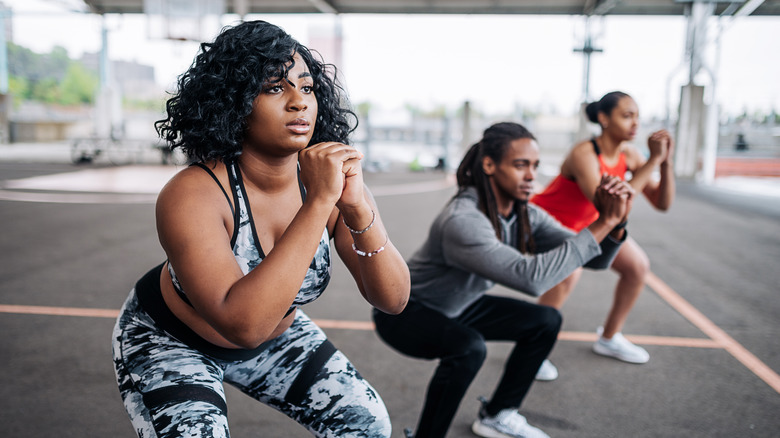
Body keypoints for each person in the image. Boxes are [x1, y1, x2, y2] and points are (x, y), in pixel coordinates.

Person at [111, 20, 410, 438]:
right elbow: (244, 324)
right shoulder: (194, 193)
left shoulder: (330, 182)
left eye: (306, 88)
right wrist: (320, 202)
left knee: (366, 422)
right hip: (170, 342)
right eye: (274, 88)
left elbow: (393, 299)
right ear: (233, 102)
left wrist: (357, 210)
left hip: (277, 342)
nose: (298, 103)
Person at [372, 122, 633, 438]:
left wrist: (615, 224)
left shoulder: (524, 214)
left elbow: (595, 258)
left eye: (535, 166)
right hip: (407, 313)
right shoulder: (463, 219)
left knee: (545, 320)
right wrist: (602, 222)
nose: (531, 175)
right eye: (520, 165)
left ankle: (498, 415)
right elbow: (533, 279)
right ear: (489, 165)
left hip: (462, 303)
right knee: (469, 348)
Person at [531, 91, 675, 374]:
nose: (635, 123)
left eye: (637, 116)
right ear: (603, 118)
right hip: (550, 223)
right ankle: (533, 353)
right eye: (626, 115)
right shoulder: (584, 153)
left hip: (592, 225)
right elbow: (608, 203)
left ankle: (609, 338)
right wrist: (652, 162)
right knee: (567, 275)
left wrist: (665, 162)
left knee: (637, 267)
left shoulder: (630, 155)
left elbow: (662, 203)